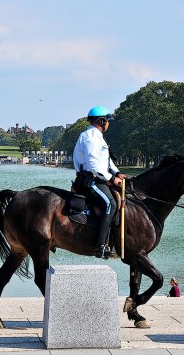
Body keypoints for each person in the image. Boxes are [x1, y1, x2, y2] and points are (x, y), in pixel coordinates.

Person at [73, 106, 126, 259]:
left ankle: (114, 240)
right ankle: (99, 246)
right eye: (108, 120)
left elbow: (106, 161)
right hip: (90, 181)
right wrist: (112, 178)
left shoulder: (98, 136)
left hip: (99, 178)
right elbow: (94, 166)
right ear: (102, 121)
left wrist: (117, 173)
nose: (109, 123)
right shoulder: (90, 137)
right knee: (110, 204)